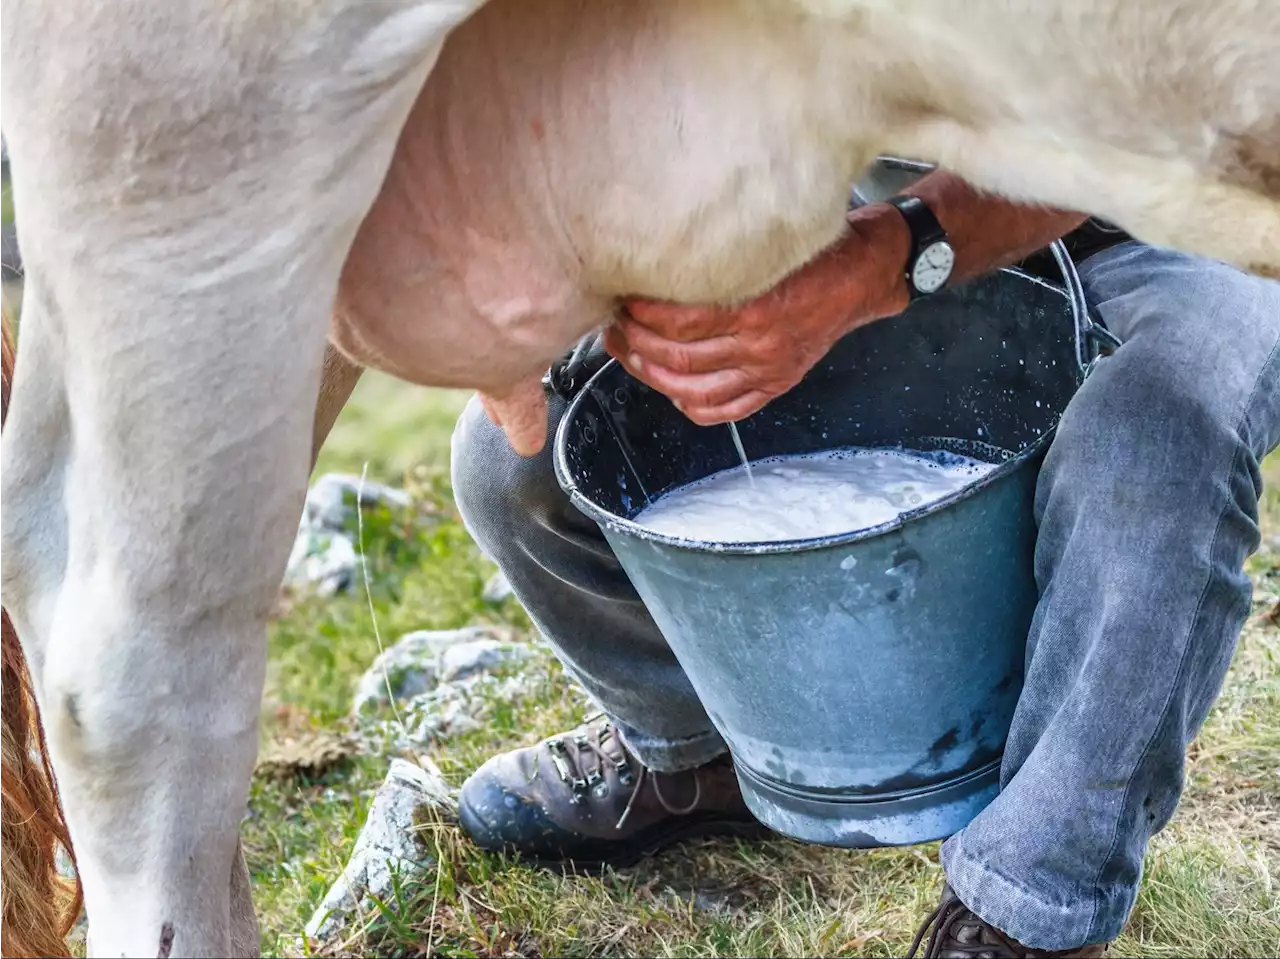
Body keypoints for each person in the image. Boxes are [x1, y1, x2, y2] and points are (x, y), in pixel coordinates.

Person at [448, 165, 1280, 957]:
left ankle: (1031, 903)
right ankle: (704, 750)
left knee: (1161, 440)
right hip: (875, 196)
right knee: (519, 456)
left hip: (1203, 213)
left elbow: (1103, 143)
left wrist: (881, 261)